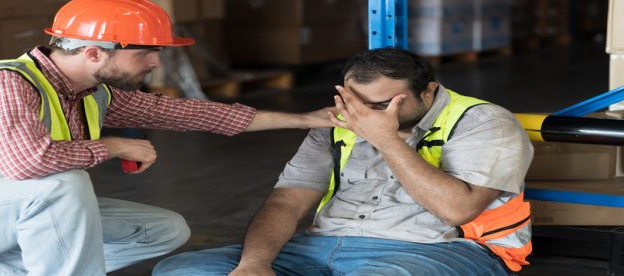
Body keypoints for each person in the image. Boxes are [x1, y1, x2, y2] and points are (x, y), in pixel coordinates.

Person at [0, 0, 333, 276]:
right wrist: (112, 145)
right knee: (62, 184)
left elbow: (189, 113)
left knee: (163, 229)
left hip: (2, 223)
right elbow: (27, 163)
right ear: (93, 53)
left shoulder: (89, 91)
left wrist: (307, 119)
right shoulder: (4, 84)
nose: (157, 61)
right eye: (145, 51)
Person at [154, 47, 534, 276]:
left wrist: (384, 137)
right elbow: (288, 201)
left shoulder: (483, 121)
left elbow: (457, 210)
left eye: (384, 105)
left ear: (428, 91)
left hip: (439, 249)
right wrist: (255, 263)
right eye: (356, 103)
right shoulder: (340, 119)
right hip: (324, 246)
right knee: (182, 270)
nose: (364, 115)